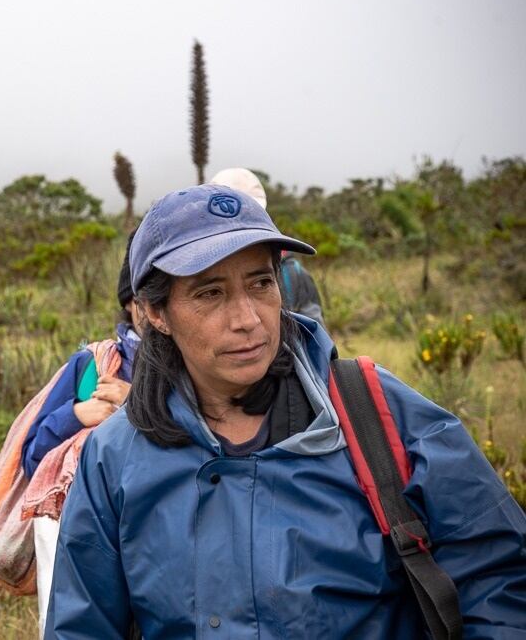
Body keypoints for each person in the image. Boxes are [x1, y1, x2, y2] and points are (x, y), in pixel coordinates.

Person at [44, 184, 526, 638]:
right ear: (154, 313)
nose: (248, 319)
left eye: (260, 283)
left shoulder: (378, 414)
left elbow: (499, 577)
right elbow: (82, 623)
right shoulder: (115, 456)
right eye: (210, 293)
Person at [19, 231, 141, 634]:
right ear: (131, 303)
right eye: (148, 296)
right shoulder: (90, 365)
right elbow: (33, 457)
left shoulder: (201, 366)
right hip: (78, 541)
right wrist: (75, 414)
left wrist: (134, 404)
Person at [210, 167, 325, 326]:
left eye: (262, 283)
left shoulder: (292, 271)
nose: (248, 321)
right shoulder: (194, 270)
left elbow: (313, 333)